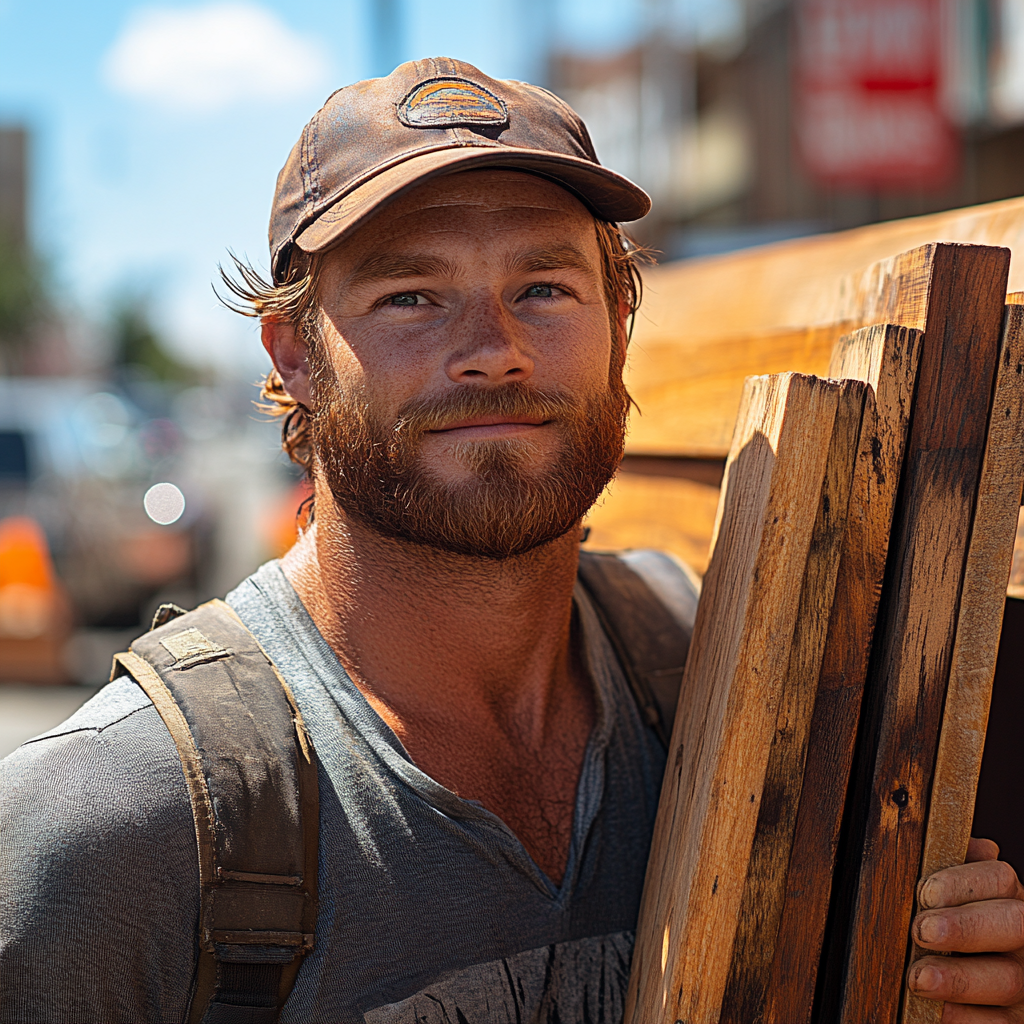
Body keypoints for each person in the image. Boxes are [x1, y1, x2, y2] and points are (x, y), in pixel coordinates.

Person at [1, 57, 1023, 1024]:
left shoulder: (725, 679)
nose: (493, 350)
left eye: (543, 289)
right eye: (412, 297)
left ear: (621, 323)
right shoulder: (108, 826)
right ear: (296, 355)